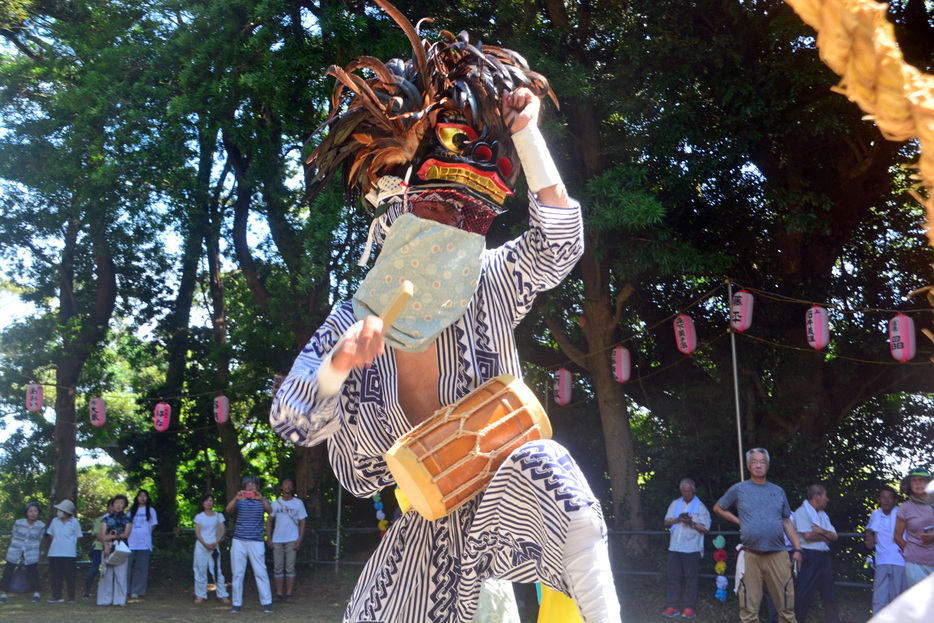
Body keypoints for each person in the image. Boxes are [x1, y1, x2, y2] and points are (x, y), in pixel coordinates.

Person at [269, 4, 620, 622]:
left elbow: (559, 243)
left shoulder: (486, 284)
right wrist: (335, 366)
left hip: (500, 509)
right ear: (390, 235)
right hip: (418, 549)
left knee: (553, 470)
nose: (440, 252)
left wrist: (527, 136)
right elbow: (293, 420)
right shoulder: (353, 322)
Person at [713, 448, 803, 623]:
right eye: (754, 462)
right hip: (750, 555)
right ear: (748, 465)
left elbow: (786, 522)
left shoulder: (778, 491)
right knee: (748, 609)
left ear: (768, 465)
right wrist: (740, 521)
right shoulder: (739, 489)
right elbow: (718, 508)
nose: (759, 465)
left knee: (786, 606)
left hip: (778, 554)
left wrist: (798, 549)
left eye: (762, 462)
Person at [662, 478, 710, 619]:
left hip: (691, 548)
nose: (687, 493)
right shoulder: (675, 504)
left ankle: (689, 608)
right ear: (681, 491)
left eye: (689, 491)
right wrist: (678, 519)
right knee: (673, 578)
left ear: (694, 491)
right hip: (675, 547)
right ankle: (672, 606)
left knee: (691, 579)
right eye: (684, 491)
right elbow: (666, 522)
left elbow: (706, 528)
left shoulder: (700, 507)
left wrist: (691, 523)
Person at [225, 476, 274, 614]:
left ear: (258, 487)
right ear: (244, 487)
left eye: (254, 484)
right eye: (248, 484)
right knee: (237, 573)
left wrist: (261, 499)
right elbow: (228, 510)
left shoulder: (262, 501)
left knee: (261, 572)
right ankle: (236, 604)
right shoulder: (240, 502)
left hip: (256, 541)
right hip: (239, 541)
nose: (251, 486)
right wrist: (236, 498)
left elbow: (270, 511)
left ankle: (267, 603)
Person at [792, 484, 839, 623]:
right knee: (803, 594)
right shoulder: (801, 512)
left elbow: (835, 536)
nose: (827, 499)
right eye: (825, 495)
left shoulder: (823, 515)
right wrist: (826, 536)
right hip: (808, 556)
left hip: (824, 557)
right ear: (816, 497)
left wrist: (820, 531)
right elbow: (807, 535)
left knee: (829, 595)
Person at [865, 487, 906, 613]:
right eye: (883, 497)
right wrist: (869, 535)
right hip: (881, 560)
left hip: (900, 560)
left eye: (890, 498)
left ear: (895, 500)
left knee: (897, 597)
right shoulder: (875, 514)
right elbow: (869, 528)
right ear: (879, 500)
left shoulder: (901, 513)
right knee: (879, 597)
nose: (886, 501)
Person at [266, 477, 306, 603]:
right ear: (281, 487)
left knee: (290, 567)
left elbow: (303, 521)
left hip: (292, 539)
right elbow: (269, 521)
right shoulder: (275, 503)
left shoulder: (298, 503)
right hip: (277, 539)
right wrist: (269, 538)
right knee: (277, 567)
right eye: (285, 484)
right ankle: (279, 594)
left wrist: (300, 539)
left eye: (290, 484)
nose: (287, 486)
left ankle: (288, 594)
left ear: (293, 488)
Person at [894, 468, 934, 587]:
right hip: (915, 563)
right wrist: (910, 550)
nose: (918, 483)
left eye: (922, 480)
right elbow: (897, 536)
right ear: (909, 485)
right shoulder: (905, 508)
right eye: (914, 480)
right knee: (920, 602)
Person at [0, 501, 45, 604]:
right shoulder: (18, 523)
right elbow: (14, 534)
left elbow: (40, 538)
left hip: (31, 550)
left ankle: (36, 594)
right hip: (16, 549)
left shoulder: (41, 525)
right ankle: (3, 594)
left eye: (35, 511)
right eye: (30, 511)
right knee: (9, 570)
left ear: (38, 512)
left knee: (33, 571)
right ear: (26, 512)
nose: (33, 513)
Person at [193, 493, 230, 604]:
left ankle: (223, 595)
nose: (209, 503)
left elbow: (222, 530)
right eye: (206, 501)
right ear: (203, 503)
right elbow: (197, 532)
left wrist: (215, 542)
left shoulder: (219, 516)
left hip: (214, 544)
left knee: (217, 570)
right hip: (201, 545)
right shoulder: (199, 517)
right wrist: (204, 543)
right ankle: (200, 595)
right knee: (200, 569)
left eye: (211, 501)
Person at [46, 499, 82, 604]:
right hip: (54, 552)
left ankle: (71, 598)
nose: (60, 512)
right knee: (55, 575)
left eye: (62, 510)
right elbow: (50, 534)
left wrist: (69, 543)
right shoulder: (54, 521)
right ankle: (57, 597)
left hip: (69, 553)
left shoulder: (74, 522)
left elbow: (78, 536)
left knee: (70, 576)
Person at [98, 494, 132, 607]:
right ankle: (106, 599)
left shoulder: (127, 519)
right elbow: (103, 535)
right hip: (108, 547)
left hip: (121, 547)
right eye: (117, 503)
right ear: (112, 505)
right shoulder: (106, 519)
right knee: (107, 574)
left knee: (121, 574)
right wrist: (106, 547)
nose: (119, 505)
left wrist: (112, 537)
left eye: (121, 503)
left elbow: (125, 535)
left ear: (125, 505)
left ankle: (120, 600)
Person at [126, 489, 158, 599]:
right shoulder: (132, 510)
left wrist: (145, 533)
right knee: (127, 566)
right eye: (140, 496)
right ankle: (125, 589)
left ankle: (137, 591)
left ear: (148, 498)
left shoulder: (151, 510)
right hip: (131, 542)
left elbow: (153, 525)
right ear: (137, 498)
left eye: (145, 496)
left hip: (144, 543)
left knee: (141, 567)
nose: (142, 498)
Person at [83, 499, 113, 599]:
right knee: (94, 570)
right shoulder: (101, 519)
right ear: (108, 507)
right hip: (99, 547)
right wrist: (106, 542)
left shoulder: (120, 519)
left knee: (109, 571)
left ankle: (107, 592)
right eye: (111, 506)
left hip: (113, 548)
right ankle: (86, 592)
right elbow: (97, 534)